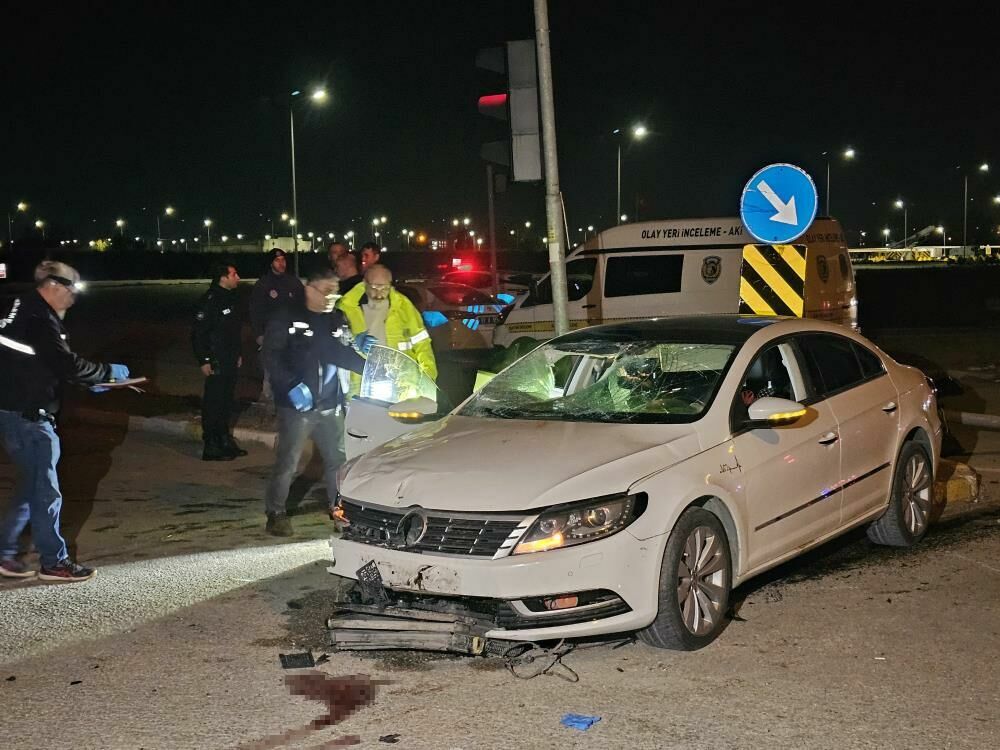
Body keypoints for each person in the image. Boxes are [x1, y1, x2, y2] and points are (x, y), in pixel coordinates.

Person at [0, 261, 129, 582]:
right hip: (30, 417)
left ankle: (4, 553)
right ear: (53, 285)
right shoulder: (39, 319)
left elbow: (40, 364)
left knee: (31, 486)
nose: (74, 295)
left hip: (13, 411)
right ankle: (53, 562)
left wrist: (88, 381)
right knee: (46, 492)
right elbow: (63, 362)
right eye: (73, 287)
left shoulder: (18, 308)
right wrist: (107, 373)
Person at [262, 268, 372, 536]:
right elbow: (271, 357)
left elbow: (338, 352)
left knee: (337, 461)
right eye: (325, 292)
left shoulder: (333, 320)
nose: (330, 298)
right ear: (308, 288)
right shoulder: (287, 316)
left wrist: (369, 366)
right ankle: (275, 512)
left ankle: (338, 511)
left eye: (334, 293)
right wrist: (291, 387)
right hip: (298, 407)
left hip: (329, 405)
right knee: (289, 461)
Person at [337, 264, 437, 395]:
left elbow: (422, 343)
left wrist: (428, 376)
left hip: (402, 384)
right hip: (362, 384)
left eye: (384, 288)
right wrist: (355, 341)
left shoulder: (403, 307)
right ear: (364, 284)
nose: (379, 293)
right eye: (374, 287)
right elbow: (336, 343)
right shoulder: (347, 308)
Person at [192, 262, 245, 461]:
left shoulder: (230, 298)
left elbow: (232, 332)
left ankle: (224, 439)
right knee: (214, 402)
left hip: (229, 358)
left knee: (226, 401)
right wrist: (204, 360)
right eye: (234, 274)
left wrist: (237, 353)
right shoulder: (210, 300)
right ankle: (211, 444)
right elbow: (199, 334)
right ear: (223, 277)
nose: (237, 277)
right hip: (215, 359)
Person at [249, 248, 304, 400]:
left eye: (283, 260)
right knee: (271, 367)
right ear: (271, 263)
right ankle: (268, 397)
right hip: (271, 336)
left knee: (291, 366)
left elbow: (302, 308)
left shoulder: (293, 282)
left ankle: (290, 396)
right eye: (277, 260)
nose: (281, 263)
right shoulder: (263, 284)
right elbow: (255, 311)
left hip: (292, 336)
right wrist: (259, 334)